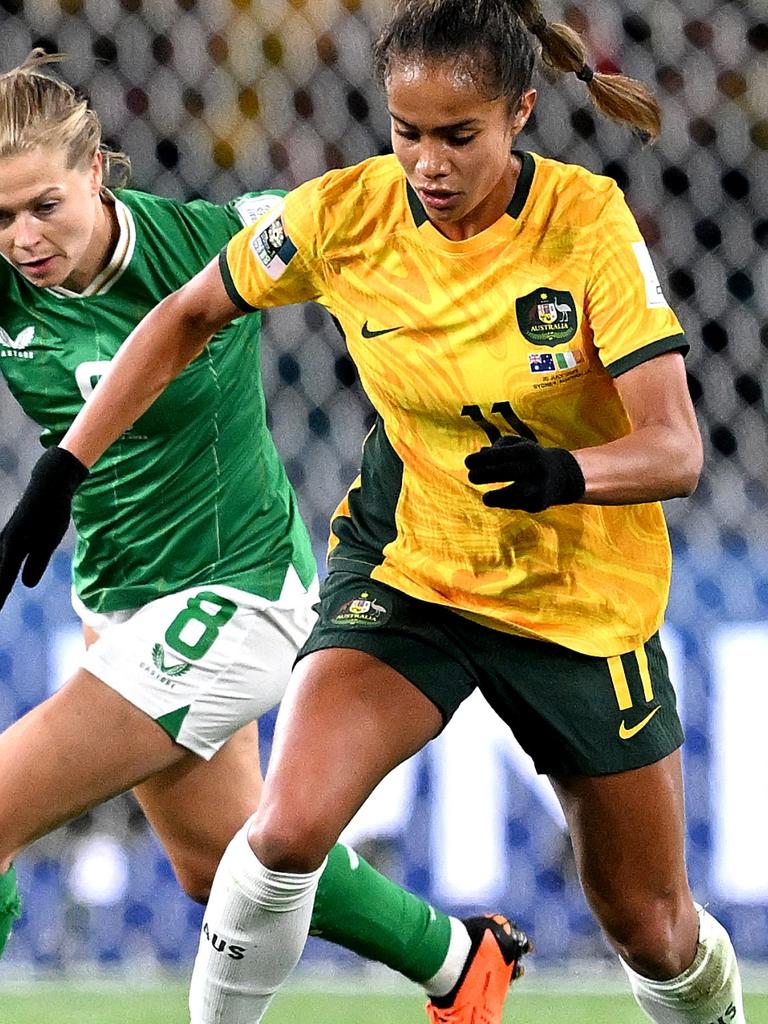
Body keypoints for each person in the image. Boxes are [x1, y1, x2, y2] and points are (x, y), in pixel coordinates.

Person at [0, 0, 746, 1019]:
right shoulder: (349, 214)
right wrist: (62, 474)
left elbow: (677, 446)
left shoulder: (586, 224)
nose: (427, 164)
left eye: (457, 137)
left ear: (520, 113)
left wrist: (567, 475)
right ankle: (420, 974)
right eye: (406, 135)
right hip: (410, 572)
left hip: (570, 597)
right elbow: (190, 314)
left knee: (650, 927)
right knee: (266, 842)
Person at [0, 49, 531, 1022]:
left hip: (237, 599)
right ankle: (462, 965)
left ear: (95, 171)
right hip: (116, 603)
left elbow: (371, 227)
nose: (24, 237)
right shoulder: (10, 288)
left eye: (44, 205)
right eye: (0, 217)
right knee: (223, 867)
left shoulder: (214, 240)